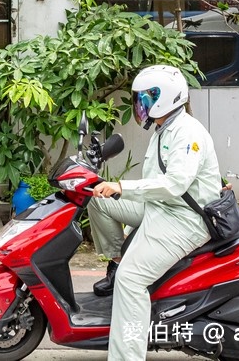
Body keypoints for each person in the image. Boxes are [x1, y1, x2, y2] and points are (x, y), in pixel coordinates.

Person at [86, 64, 223, 361]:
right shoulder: (164, 128)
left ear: (166, 98)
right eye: (140, 99)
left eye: (146, 99)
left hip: (184, 220)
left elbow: (174, 185)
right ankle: (118, 258)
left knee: (131, 280)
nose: (140, 106)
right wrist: (111, 188)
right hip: (159, 208)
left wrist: (122, 186)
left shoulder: (187, 133)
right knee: (97, 199)